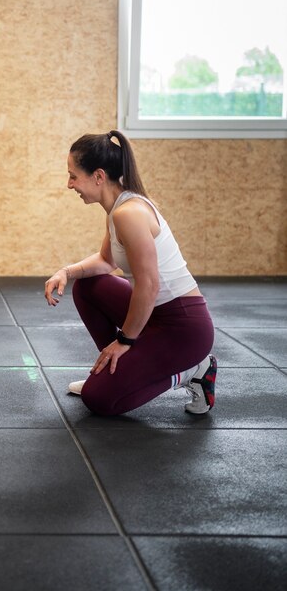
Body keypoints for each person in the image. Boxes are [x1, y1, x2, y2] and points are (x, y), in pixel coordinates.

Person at [44, 130, 217, 417]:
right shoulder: (118, 208)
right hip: (157, 315)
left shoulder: (129, 213)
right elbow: (105, 261)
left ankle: (193, 370)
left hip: (184, 328)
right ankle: (114, 369)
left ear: (98, 176)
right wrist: (66, 271)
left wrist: (124, 340)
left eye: (73, 176)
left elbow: (149, 285)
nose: (69, 184)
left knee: (98, 400)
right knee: (87, 287)